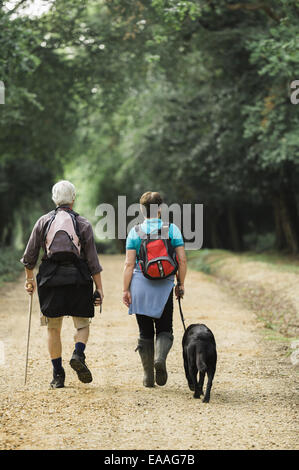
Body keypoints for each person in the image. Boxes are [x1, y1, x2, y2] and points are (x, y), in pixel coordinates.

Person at [21, 180, 104, 389]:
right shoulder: (83, 224)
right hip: (78, 280)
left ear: (54, 199)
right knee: (83, 325)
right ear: (73, 199)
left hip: (51, 281)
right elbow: (93, 262)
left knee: (53, 329)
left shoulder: (43, 222)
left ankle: (58, 375)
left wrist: (30, 279)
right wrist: (99, 289)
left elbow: (29, 257)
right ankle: (78, 353)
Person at [123, 191, 187, 387]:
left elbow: (128, 264)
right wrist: (180, 283)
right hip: (165, 285)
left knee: (145, 331)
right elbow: (182, 260)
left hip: (140, 285)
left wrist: (125, 289)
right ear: (160, 209)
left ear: (142, 210)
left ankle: (148, 376)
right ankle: (160, 358)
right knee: (165, 327)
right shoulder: (172, 230)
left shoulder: (135, 231)